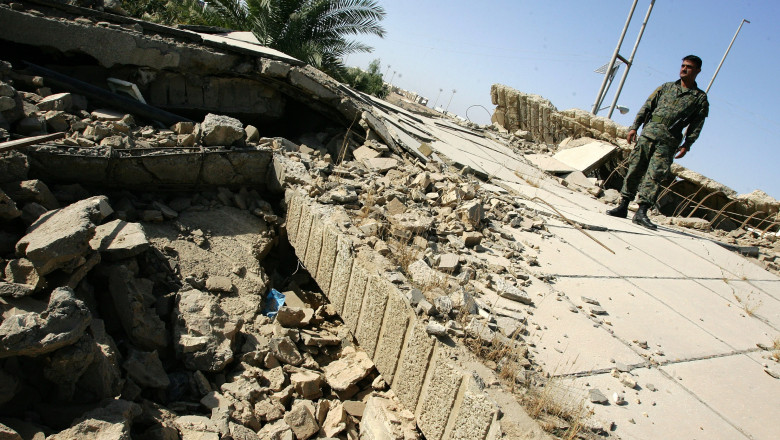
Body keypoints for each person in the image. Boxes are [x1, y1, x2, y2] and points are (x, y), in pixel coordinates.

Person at [606, 55, 709, 230]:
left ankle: (641, 212)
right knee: (634, 168)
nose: (684, 69)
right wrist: (634, 127)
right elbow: (647, 107)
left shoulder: (699, 98)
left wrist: (687, 145)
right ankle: (623, 205)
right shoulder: (666, 88)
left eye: (689, 67)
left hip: (668, 141)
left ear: (697, 71)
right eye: (683, 65)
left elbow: (696, 125)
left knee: (655, 175)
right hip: (648, 134)